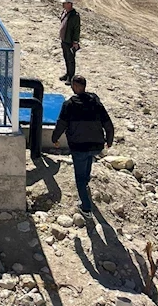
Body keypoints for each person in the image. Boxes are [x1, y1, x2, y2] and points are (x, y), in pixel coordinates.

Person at [52, 75, 114, 216]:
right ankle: (86, 183)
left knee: (79, 176)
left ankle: (86, 208)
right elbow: (108, 124)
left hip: (78, 146)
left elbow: (61, 124)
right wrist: (109, 140)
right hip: (96, 146)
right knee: (88, 160)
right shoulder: (96, 103)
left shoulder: (69, 105)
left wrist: (54, 138)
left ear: (74, 86)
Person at [59, 0, 80, 85]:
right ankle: (67, 74)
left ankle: (71, 77)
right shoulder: (65, 13)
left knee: (71, 59)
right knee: (66, 58)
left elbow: (76, 29)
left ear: (69, 4)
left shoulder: (75, 16)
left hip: (70, 41)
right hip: (64, 40)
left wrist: (75, 41)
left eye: (65, 3)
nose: (63, 4)